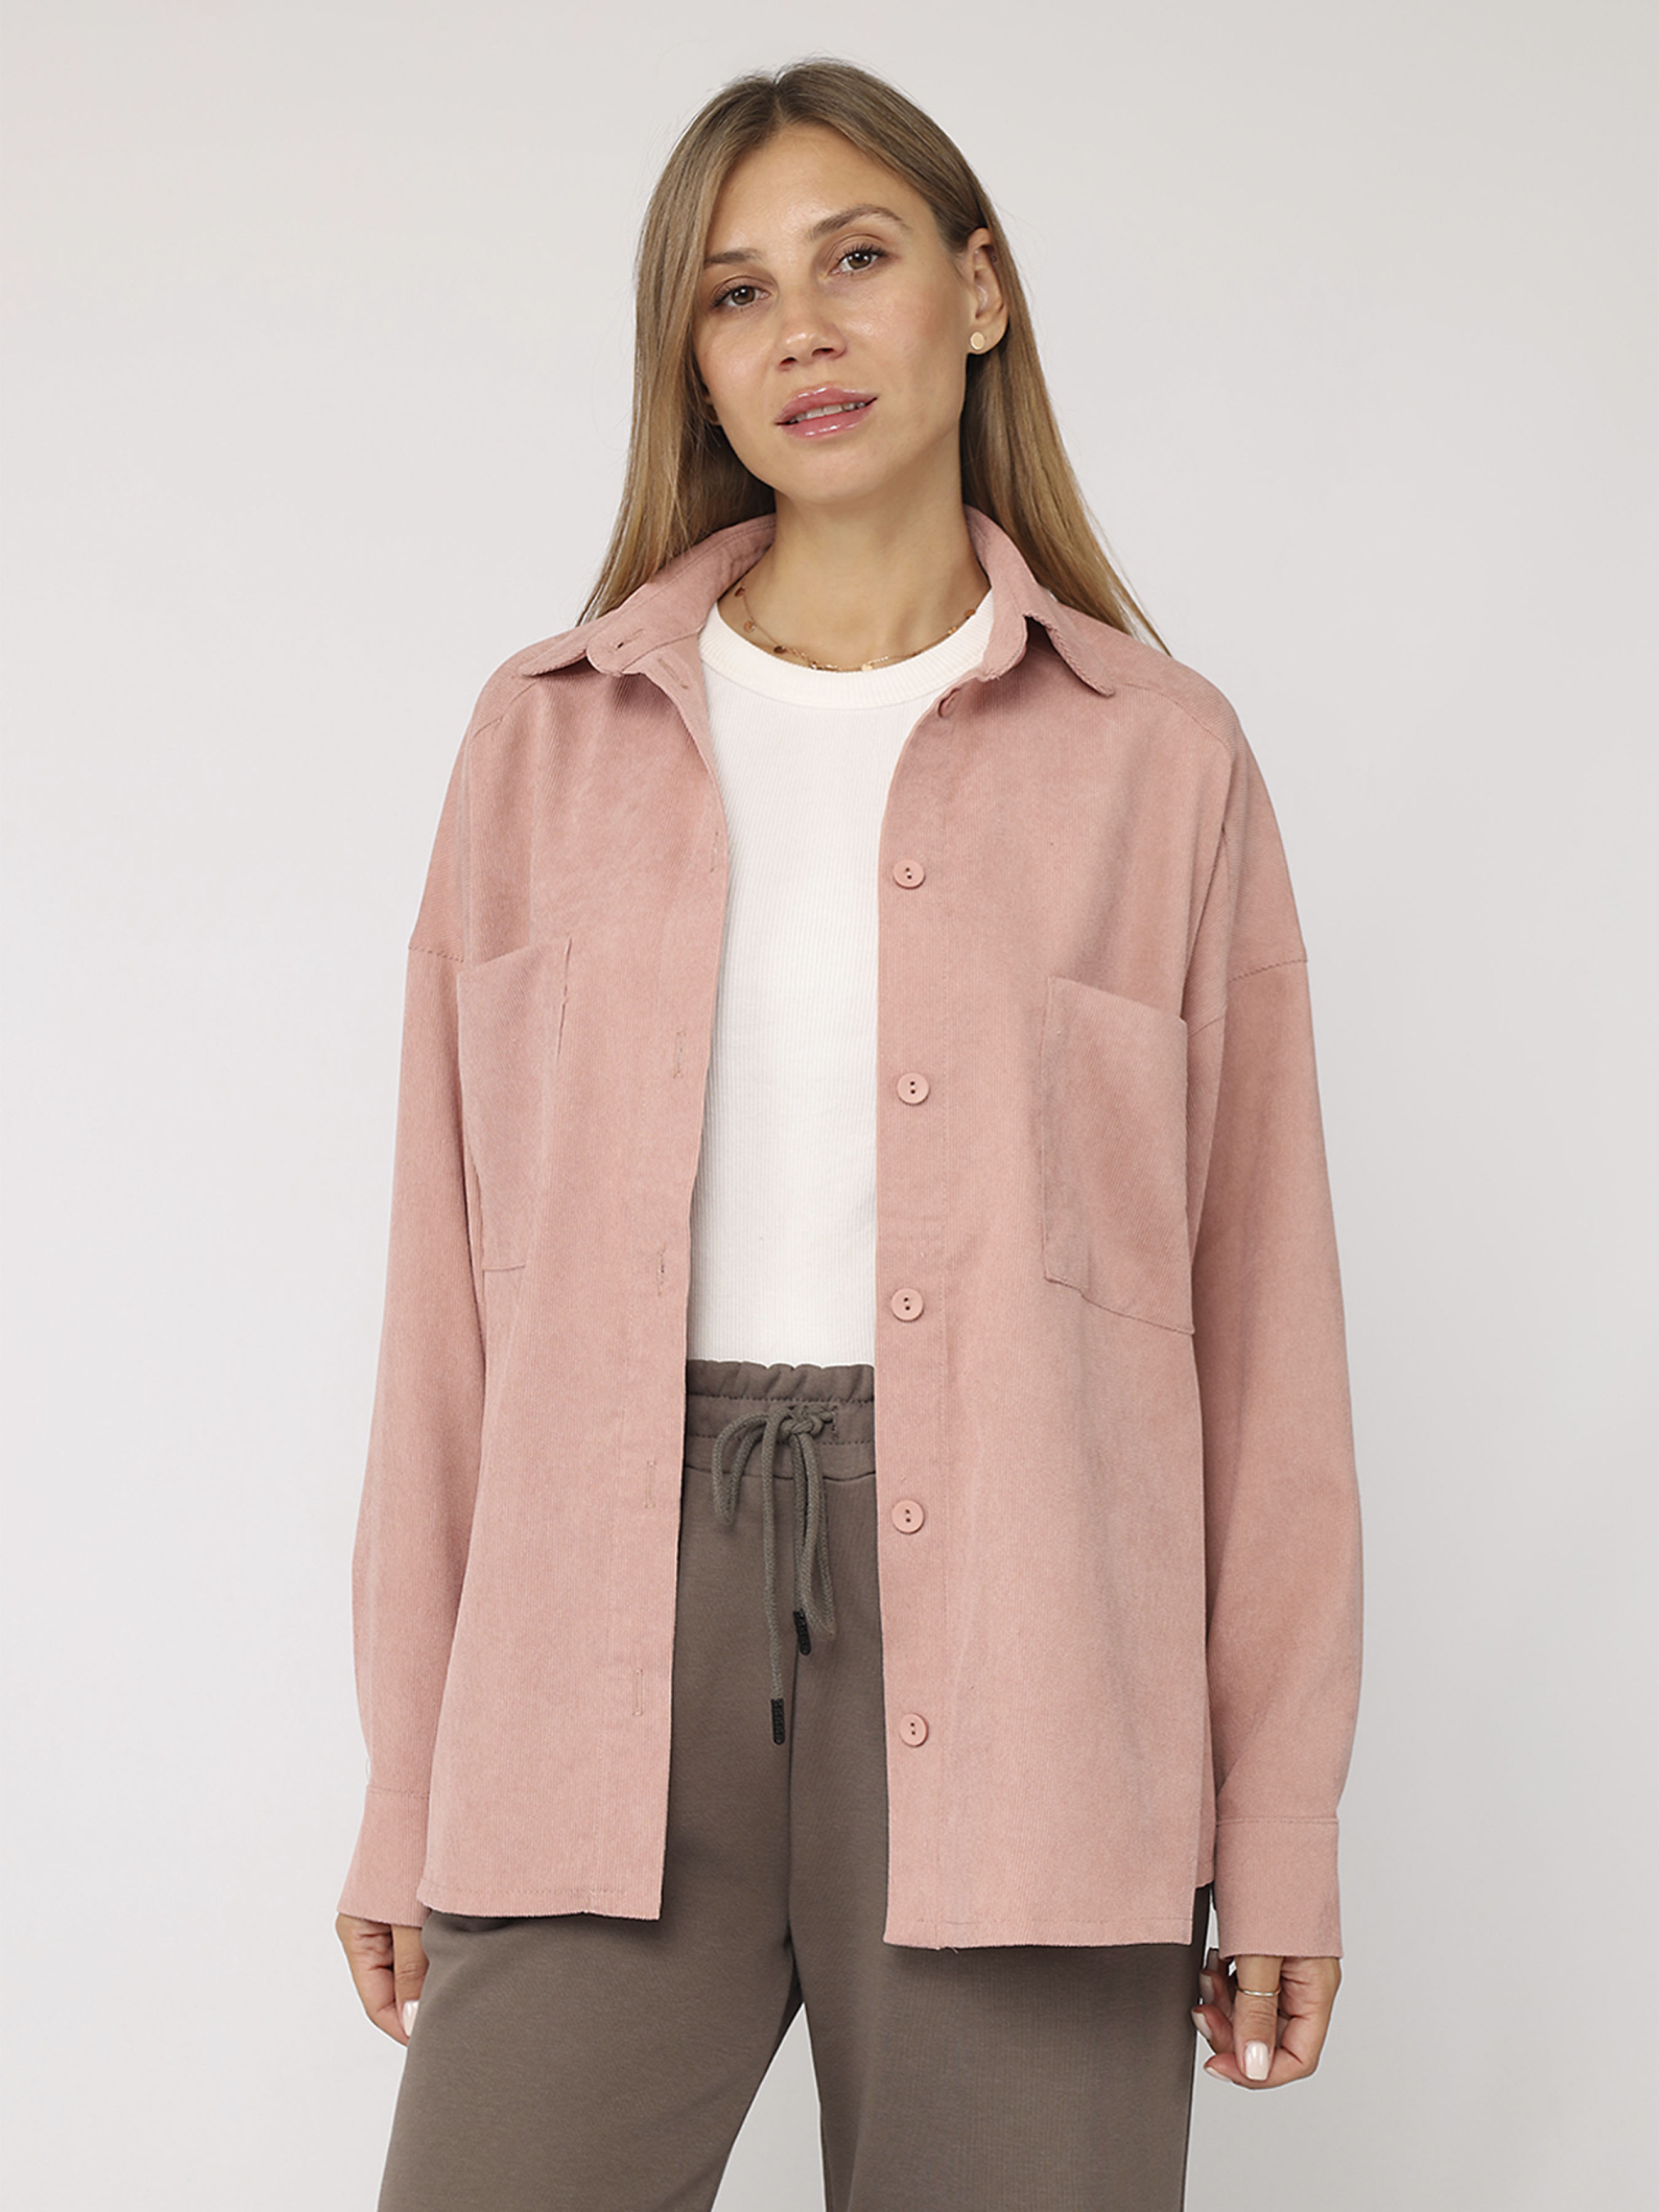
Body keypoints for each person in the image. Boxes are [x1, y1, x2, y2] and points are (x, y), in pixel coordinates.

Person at [333, 56, 1362, 2212]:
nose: (798, 330)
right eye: (733, 293)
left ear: (978, 293)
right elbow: (448, 1305)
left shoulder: (1160, 760)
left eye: (855, 258)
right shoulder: (542, 745)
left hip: (1034, 1656)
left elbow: (1262, 1329)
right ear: (691, 362)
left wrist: (1278, 1826)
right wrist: (405, 1781)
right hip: (592, 1654)